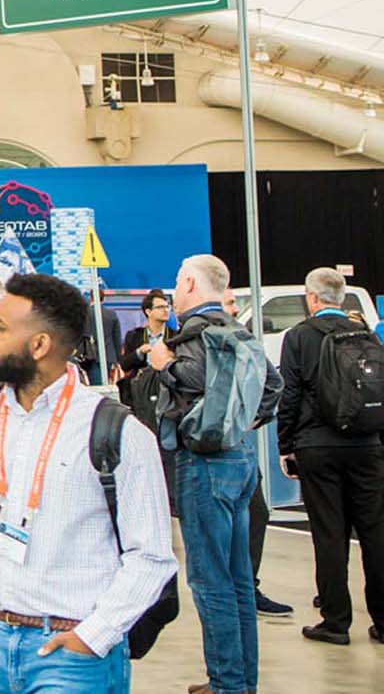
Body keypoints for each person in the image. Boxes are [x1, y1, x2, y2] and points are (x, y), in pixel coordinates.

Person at [0, 274, 176, 693]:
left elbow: (152, 555)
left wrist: (94, 635)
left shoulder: (117, 431)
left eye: (1, 327)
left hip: (73, 655)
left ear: (39, 345)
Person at [146, 253, 283, 694]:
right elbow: (273, 386)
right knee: (238, 580)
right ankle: (240, 681)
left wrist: (164, 363)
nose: (174, 289)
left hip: (204, 466)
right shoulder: (236, 329)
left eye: (177, 279)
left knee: (210, 581)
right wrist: (238, 424)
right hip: (240, 461)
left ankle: (226, 684)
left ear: (189, 282)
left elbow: (194, 376)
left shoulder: (193, 334)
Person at [275, 266, 384, 647]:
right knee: (375, 532)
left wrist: (285, 445)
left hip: (317, 445)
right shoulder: (366, 334)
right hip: (367, 445)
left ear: (311, 298)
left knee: (330, 534)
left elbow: (289, 395)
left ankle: (336, 622)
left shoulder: (299, 336)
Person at [117, 289, 173, 406]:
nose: (166, 310)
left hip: (167, 389)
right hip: (141, 390)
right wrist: (139, 353)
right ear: (148, 311)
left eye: (167, 307)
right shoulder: (134, 336)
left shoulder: (174, 335)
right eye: (160, 307)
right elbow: (124, 365)